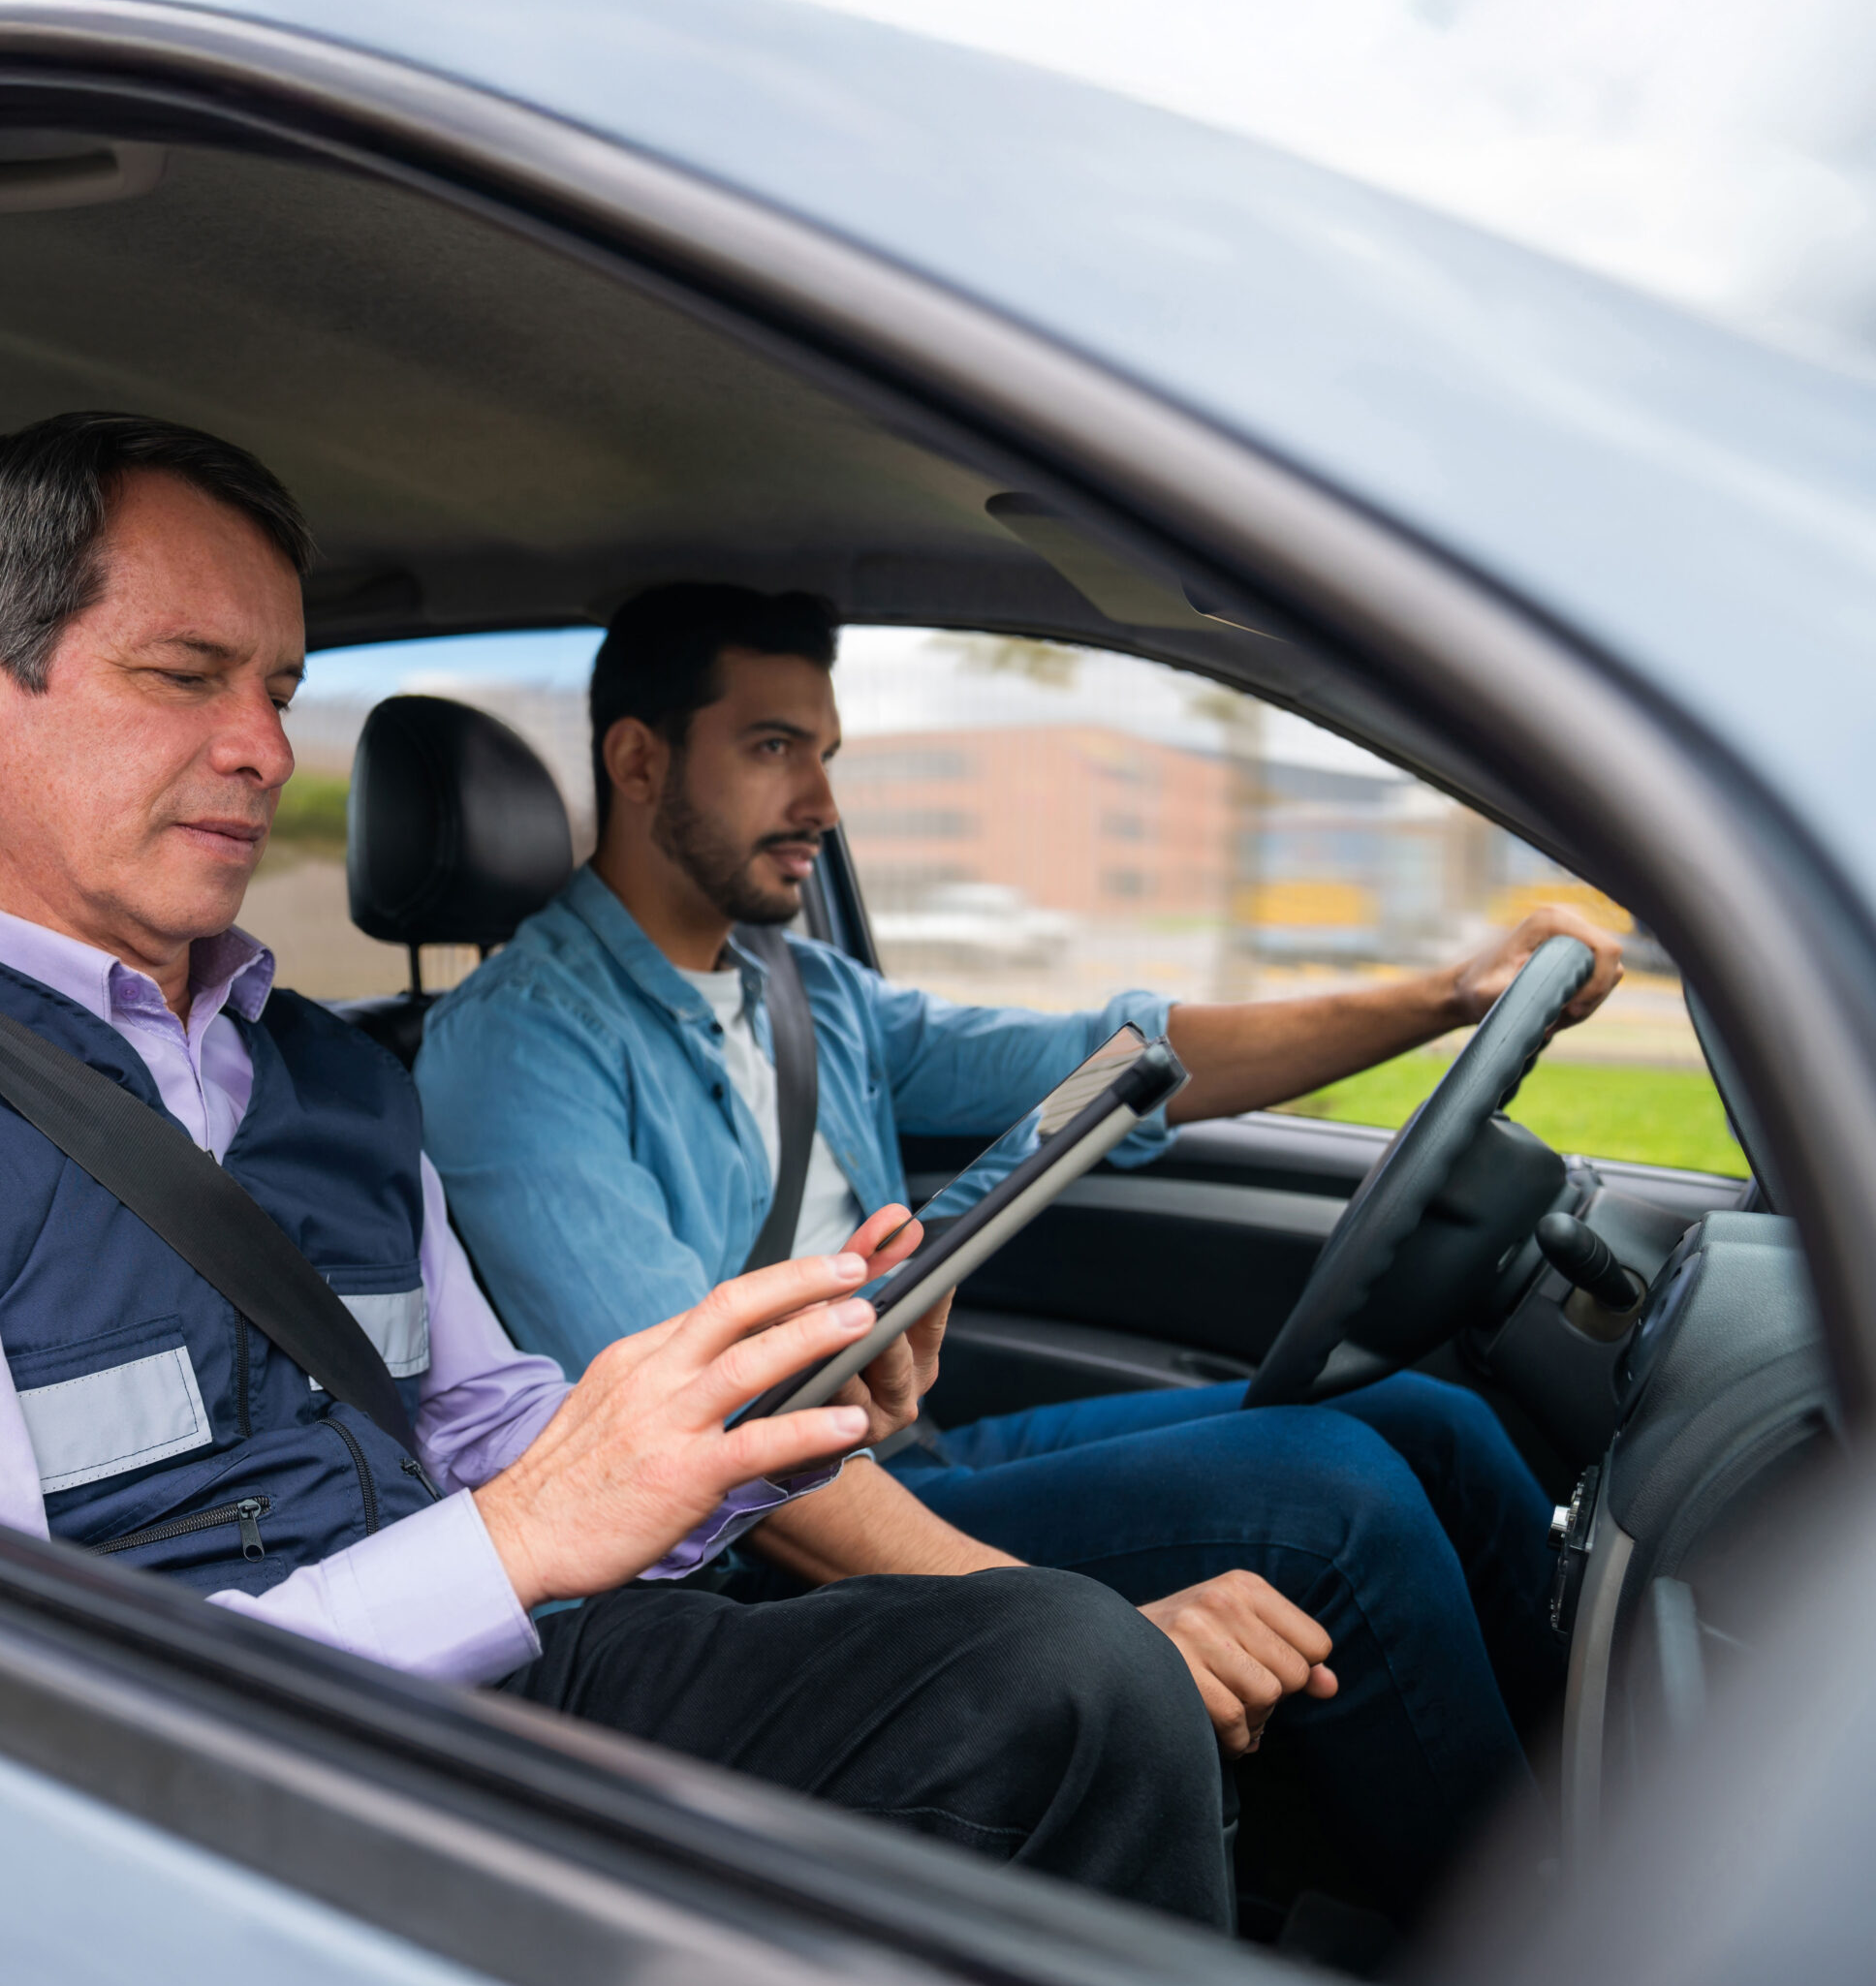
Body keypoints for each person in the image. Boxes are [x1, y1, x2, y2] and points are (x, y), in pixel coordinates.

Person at [0, 416, 1233, 1929]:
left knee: (1064, 1676)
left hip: (498, 1703)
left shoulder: (330, 1077)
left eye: (279, 688)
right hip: (197, 1845)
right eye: (187, 675)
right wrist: (516, 1542)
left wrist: (761, 1433)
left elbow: (480, 1434)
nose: (262, 745)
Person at [415, 584, 1626, 1912]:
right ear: (639, 760)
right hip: (758, 1545)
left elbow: (1116, 1064)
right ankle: (1526, 1948)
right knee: (1335, 1496)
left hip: (899, 1451)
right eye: (773, 748)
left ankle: (1633, 1808)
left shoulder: (806, 988)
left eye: (826, 752)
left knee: (1426, 1421)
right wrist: (1100, 1632)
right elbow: (700, 1457)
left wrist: (1444, 997)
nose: (820, 796)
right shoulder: (519, 1045)